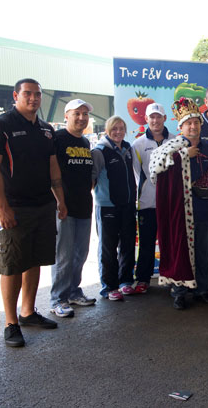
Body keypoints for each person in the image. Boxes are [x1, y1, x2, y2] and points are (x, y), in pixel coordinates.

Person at [0, 78, 66, 347]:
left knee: (34, 260)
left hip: (43, 205)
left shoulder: (46, 130)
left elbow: (53, 167)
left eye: (37, 94)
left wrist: (60, 200)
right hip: (14, 207)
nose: (33, 98)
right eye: (27, 93)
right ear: (15, 96)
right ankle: (11, 323)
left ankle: (28, 312)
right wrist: (2, 207)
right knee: (12, 264)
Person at [149, 97, 208, 310]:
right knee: (180, 251)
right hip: (181, 213)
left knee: (205, 253)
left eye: (196, 122)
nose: (193, 126)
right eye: (188, 123)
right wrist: (183, 155)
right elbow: (155, 172)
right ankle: (180, 292)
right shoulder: (169, 148)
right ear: (180, 127)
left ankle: (202, 290)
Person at [49, 99, 96, 318]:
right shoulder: (57, 139)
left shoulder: (85, 142)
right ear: (66, 116)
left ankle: (74, 292)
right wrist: (59, 201)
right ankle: (58, 299)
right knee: (64, 256)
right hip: (64, 208)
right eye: (77, 113)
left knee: (80, 254)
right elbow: (51, 173)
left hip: (84, 206)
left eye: (85, 114)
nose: (81, 118)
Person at [131, 103, 175, 293]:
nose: (155, 120)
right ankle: (143, 279)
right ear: (146, 119)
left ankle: (171, 277)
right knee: (146, 243)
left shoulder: (175, 140)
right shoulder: (138, 144)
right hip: (147, 203)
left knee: (170, 243)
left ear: (164, 118)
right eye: (152, 117)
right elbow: (136, 175)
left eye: (158, 117)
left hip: (170, 203)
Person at [92, 116, 136, 301]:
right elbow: (92, 178)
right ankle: (109, 286)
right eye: (114, 129)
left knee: (127, 244)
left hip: (128, 204)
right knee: (108, 247)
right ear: (107, 130)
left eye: (121, 128)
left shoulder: (128, 149)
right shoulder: (99, 151)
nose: (118, 132)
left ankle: (125, 281)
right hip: (107, 206)